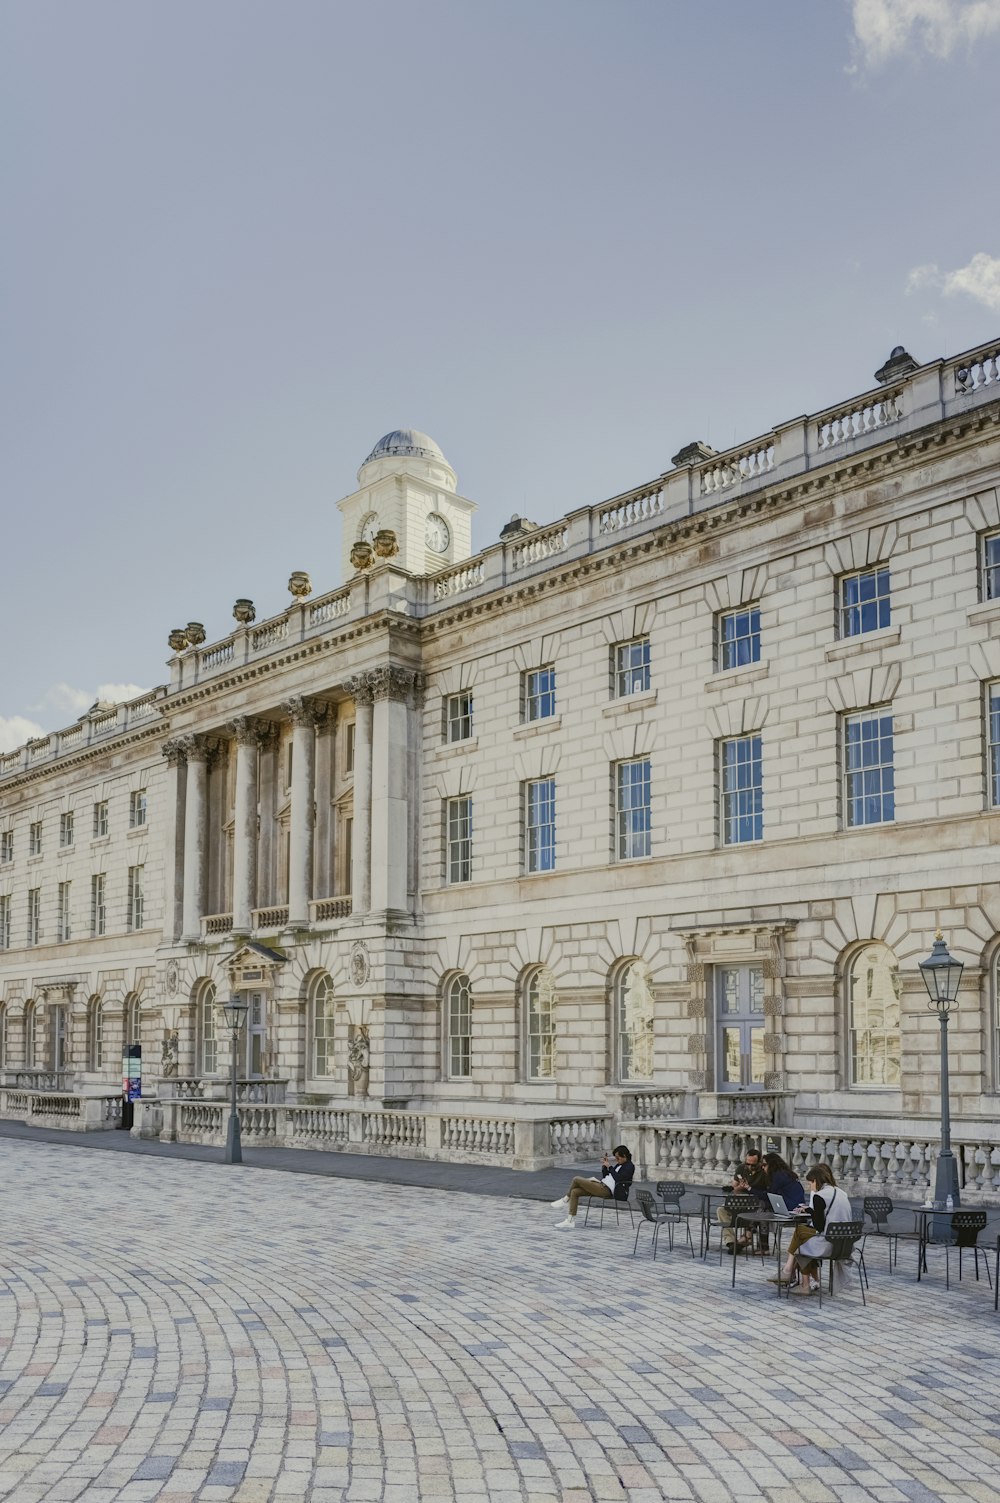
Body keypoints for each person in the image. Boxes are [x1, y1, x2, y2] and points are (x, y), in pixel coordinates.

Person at [769, 1163, 853, 1295]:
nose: (809, 1187)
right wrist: (810, 1209)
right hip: (844, 1243)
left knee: (802, 1236)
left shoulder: (821, 1196)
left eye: (810, 1183)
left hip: (829, 1243)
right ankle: (794, 1275)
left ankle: (790, 1273)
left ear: (816, 1181)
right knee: (803, 1234)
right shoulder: (841, 1193)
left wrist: (812, 1211)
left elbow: (819, 1226)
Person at [552, 1145, 634, 1229]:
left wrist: (610, 1167)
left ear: (624, 1156)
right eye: (615, 1157)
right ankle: (570, 1221)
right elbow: (607, 1176)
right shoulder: (618, 1165)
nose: (616, 1159)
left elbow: (618, 1179)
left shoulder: (629, 1166)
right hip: (601, 1185)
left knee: (576, 1179)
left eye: (618, 1157)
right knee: (575, 1192)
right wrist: (605, 1167)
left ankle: (565, 1200)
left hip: (607, 1190)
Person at [717, 1145, 769, 1252]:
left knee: (759, 1209)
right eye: (747, 1163)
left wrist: (750, 1188)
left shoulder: (764, 1171)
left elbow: (767, 1192)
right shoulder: (741, 1168)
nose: (750, 1166)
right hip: (741, 1199)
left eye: (753, 1165)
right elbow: (734, 1188)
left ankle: (747, 1237)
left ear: (759, 1163)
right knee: (721, 1210)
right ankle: (730, 1241)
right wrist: (741, 1187)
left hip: (756, 1202)